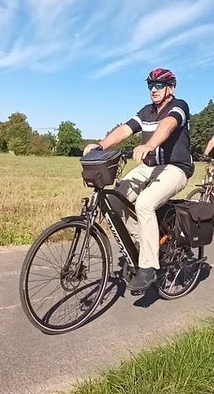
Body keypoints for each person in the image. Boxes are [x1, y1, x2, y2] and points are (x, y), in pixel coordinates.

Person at [82, 67, 194, 292]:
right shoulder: (146, 112)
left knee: (144, 203)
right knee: (114, 200)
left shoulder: (179, 106)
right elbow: (125, 129)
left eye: (159, 85)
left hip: (176, 168)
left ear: (170, 87)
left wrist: (150, 145)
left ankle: (149, 266)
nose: (154, 89)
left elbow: (168, 125)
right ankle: (143, 243)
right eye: (150, 85)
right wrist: (100, 145)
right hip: (149, 167)